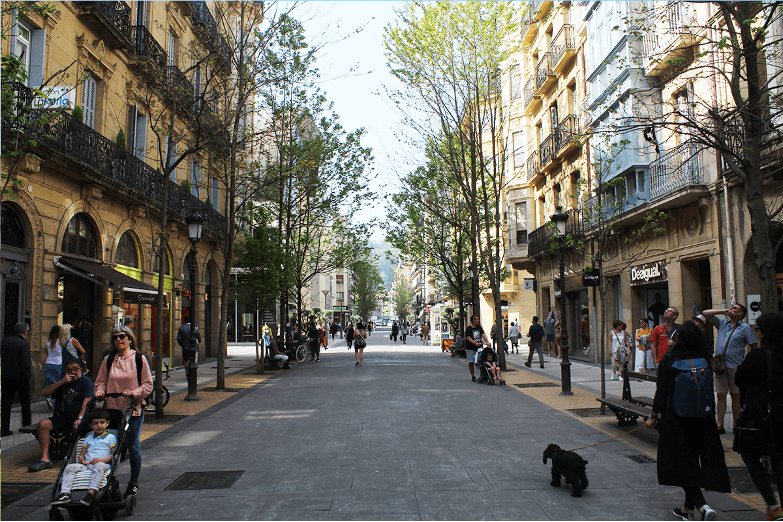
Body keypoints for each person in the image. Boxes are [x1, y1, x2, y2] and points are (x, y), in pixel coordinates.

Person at [645, 321, 729, 522]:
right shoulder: (706, 361)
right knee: (697, 460)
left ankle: (702, 506)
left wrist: (653, 416)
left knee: (682, 462)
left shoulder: (670, 360)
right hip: (705, 419)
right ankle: (685, 509)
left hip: (677, 419)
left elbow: (662, 392)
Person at [94, 325, 153, 498]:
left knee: (133, 446)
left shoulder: (139, 359)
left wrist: (136, 393)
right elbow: (100, 381)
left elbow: (148, 384)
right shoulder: (108, 359)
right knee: (111, 447)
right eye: (115, 337)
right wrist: (99, 391)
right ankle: (107, 481)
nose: (119, 340)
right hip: (112, 411)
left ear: (129, 338)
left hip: (133, 410)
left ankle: (133, 483)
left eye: (122, 336)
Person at [734, 313, 783, 521]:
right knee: (780, 460)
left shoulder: (758, 355)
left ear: (764, 332)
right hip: (781, 416)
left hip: (759, 416)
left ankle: (772, 504)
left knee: (750, 455)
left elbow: (739, 379)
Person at [702, 304, 758, 434]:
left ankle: (736, 424)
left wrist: (748, 363)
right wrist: (722, 311)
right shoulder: (722, 323)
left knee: (735, 395)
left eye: (734, 308)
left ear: (740, 313)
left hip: (736, 366)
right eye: (731, 307)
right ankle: (720, 425)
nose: (731, 309)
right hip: (720, 366)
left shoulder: (745, 328)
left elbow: (753, 346)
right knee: (720, 395)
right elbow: (705, 313)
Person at [29, 359, 94, 472]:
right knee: (43, 424)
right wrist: (62, 382)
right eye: (69, 370)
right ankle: (45, 459)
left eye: (75, 369)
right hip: (64, 417)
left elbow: (87, 400)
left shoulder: (86, 381)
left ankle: (74, 459)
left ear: (81, 370)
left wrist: (80, 417)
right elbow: (44, 393)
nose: (72, 372)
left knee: (77, 426)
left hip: (82, 417)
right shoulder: (63, 382)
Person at [52, 409, 117, 507]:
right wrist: (81, 459)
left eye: (102, 423)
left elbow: (114, 455)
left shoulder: (111, 438)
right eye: (95, 423)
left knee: (99, 466)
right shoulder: (89, 438)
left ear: (107, 423)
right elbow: (82, 453)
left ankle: (91, 493)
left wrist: (102, 460)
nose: (99, 426)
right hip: (87, 465)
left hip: (103, 465)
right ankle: (65, 494)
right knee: (69, 467)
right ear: (91, 426)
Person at [2, 322, 32, 436]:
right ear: (25, 332)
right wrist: (28, 375)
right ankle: (26, 426)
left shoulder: (4, 342)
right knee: (25, 403)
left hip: (6, 377)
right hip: (20, 378)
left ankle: (4, 428)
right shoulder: (23, 344)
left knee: (6, 403)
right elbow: (25, 363)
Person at [44, 325, 63, 410]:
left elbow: (47, 352)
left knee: (50, 383)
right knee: (57, 383)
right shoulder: (60, 341)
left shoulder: (47, 341)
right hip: (58, 364)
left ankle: (50, 398)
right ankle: (52, 401)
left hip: (48, 363)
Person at [465, 315, 489, 382]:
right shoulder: (468, 329)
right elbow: (468, 338)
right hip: (470, 348)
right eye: (477, 319)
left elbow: (483, 334)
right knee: (471, 362)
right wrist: (475, 344)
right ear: (473, 321)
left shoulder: (479, 327)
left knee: (481, 360)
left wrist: (487, 341)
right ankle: (473, 375)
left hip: (479, 348)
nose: (478, 320)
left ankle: (482, 375)